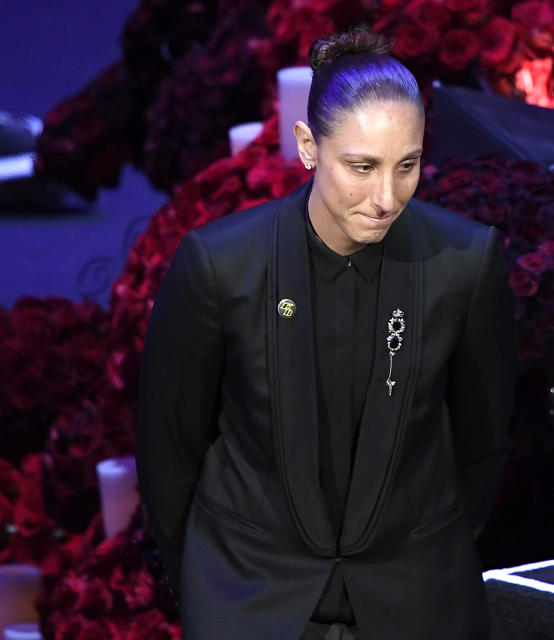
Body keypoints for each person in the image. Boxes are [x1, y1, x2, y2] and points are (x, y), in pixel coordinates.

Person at [136, 30, 518, 640]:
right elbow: (169, 449)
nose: (385, 197)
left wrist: (420, 551)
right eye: (362, 167)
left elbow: (483, 441)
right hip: (250, 599)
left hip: (417, 600)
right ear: (308, 146)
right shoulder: (221, 265)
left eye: (408, 165)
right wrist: (210, 590)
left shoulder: (464, 262)